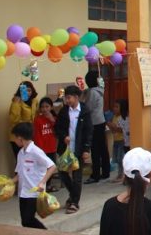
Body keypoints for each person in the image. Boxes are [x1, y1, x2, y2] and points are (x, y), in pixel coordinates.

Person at [54, 85, 92, 214]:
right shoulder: (64, 111)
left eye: (69, 97)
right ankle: (73, 194)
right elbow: (57, 128)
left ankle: (75, 202)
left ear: (76, 97)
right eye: (66, 98)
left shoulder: (85, 111)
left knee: (77, 176)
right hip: (65, 149)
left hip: (78, 149)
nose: (67, 100)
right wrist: (63, 136)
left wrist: (86, 149)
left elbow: (88, 131)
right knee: (63, 173)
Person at [11, 122, 56, 229]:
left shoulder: (36, 152)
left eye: (15, 138)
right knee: (25, 222)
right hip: (23, 192)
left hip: (34, 192)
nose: (14, 140)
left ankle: (45, 232)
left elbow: (52, 166)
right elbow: (20, 173)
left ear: (20, 138)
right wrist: (9, 182)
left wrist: (42, 182)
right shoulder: (20, 153)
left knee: (28, 219)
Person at [84, 71, 111, 184]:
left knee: (95, 149)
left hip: (94, 122)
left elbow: (88, 108)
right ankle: (106, 171)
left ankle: (95, 175)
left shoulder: (92, 92)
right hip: (101, 121)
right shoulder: (100, 90)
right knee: (103, 148)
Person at [33, 97, 58, 192]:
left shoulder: (54, 118)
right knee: (42, 169)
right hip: (42, 148)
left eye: (47, 106)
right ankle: (42, 186)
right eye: (42, 107)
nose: (45, 109)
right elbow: (37, 135)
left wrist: (52, 120)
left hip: (52, 147)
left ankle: (48, 185)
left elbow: (58, 131)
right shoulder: (37, 119)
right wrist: (39, 148)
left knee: (51, 167)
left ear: (51, 107)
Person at [9, 80, 39, 158]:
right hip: (19, 136)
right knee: (21, 160)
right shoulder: (16, 102)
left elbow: (37, 115)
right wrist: (16, 103)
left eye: (29, 90)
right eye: (24, 91)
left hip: (31, 134)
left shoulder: (35, 101)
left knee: (31, 160)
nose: (27, 93)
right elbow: (13, 120)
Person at [108, 99, 129, 183]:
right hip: (116, 140)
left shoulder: (122, 118)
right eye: (114, 107)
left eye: (117, 107)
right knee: (117, 158)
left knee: (121, 158)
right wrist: (111, 126)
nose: (114, 108)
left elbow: (120, 130)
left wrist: (112, 125)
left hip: (122, 140)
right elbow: (113, 130)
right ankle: (120, 174)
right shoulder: (114, 117)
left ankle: (122, 175)